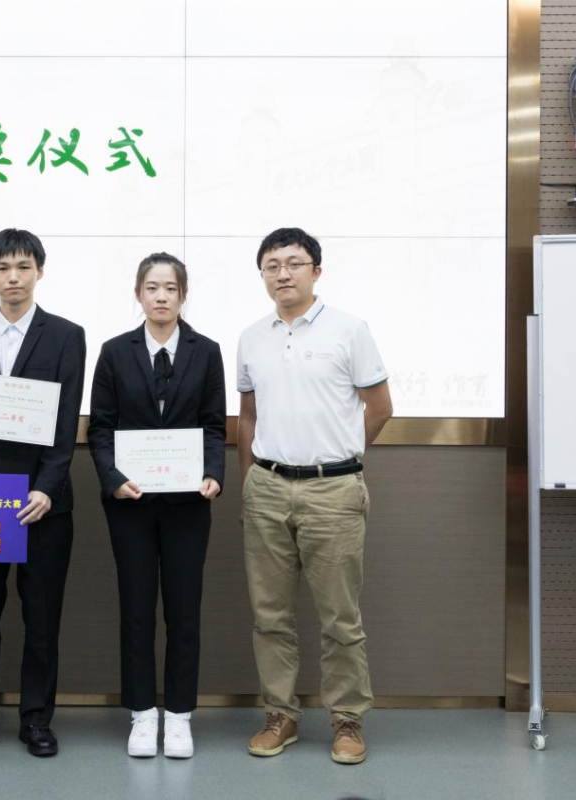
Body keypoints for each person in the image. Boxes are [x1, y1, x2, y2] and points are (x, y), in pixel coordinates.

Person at [237, 228, 393, 765]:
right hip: (266, 488)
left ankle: (348, 719)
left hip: (334, 491)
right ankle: (280, 714)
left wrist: (342, 454)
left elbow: (380, 406)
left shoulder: (350, 329)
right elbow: (249, 416)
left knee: (339, 617)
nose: (283, 273)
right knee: (269, 615)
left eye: (294, 263)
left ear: (316, 271)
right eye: (272, 265)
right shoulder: (251, 337)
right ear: (262, 275)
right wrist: (248, 483)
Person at [0, 228, 86, 758]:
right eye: (3, 268)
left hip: (45, 500)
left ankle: (36, 721)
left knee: (42, 620)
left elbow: (65, 420)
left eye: (23, 267)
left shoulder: (67, 335)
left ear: (39, 272)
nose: (13, 277)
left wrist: (47, 488)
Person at [87, 253, 226, 759]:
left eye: (170, 288)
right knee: (137, 611)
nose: (161, 296)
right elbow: (100, 428)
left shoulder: (206, 351)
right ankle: (143, 714)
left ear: (183, 295)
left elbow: (214, 424)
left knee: (185, 613)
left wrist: (214, 472)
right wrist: (113, 479)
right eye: (152, 287)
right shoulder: (114, 352)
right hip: (131, 504)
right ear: (138, 294)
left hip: (189, 503)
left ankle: (180, 715)